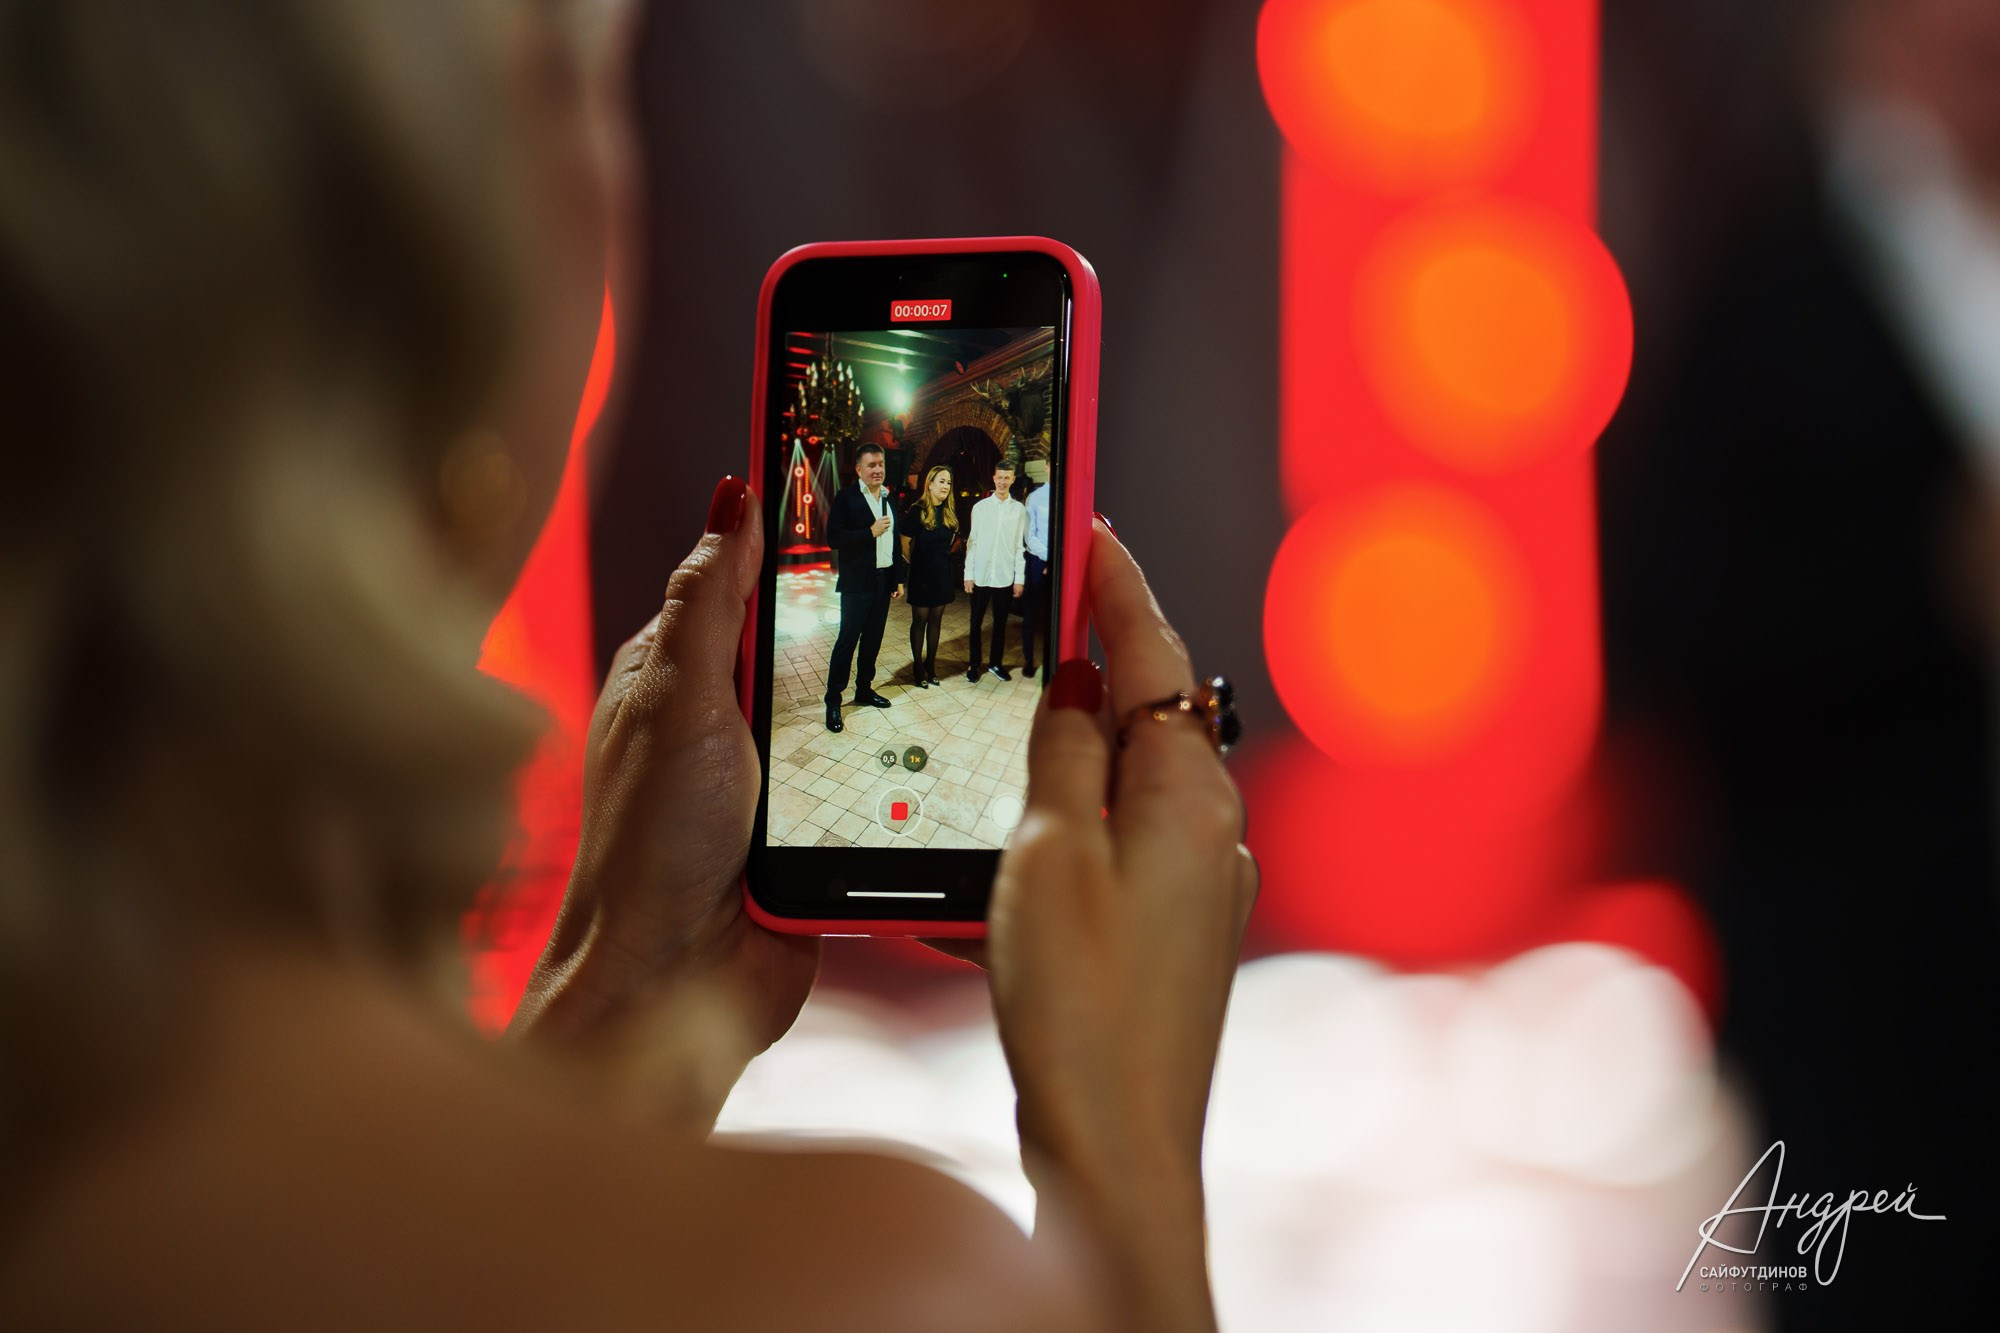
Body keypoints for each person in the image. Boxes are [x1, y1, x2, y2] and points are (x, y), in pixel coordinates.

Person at [0, 3, 1256, 1330]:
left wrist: (624, 986)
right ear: (453, 247)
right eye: (574, 85)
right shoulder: (886, 1285)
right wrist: (1123, 1175)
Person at [821, 442, 905, 732]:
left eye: (880, 464)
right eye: (872, 465)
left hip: (883, 581)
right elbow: (833, 538)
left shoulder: (888, 498)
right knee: (847, 641)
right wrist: (868, 532)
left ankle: (864, 689)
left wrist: (897, 578)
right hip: (857, 584)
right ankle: (833, 701)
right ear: (859, 469)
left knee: (873, 640)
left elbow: (893, 541)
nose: (878, 469)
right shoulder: (846, 498)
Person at [963, 459, 1028, 682]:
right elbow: (972, 542)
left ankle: (995, 664)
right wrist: (968, 574)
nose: (1002, 481)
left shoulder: (1019, 510)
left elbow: (1020, 546)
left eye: (1006, 477)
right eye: (999, 477)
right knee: (975, 623)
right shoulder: (980, 508)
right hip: (980, 574)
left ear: (1012, 479)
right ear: (994, 478)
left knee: (1000, 624)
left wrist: (1019, 579)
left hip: (1004, 576)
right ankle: (973, 664)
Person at [899, 464, 959, 688]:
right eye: (942, 481)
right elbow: (904, 543)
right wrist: (915, 562)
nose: (946, 486)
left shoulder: (949, 512)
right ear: (930, 484)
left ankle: (930, 666)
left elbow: (951, 542)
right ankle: (917, 667)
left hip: (942, 575)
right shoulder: (918, 511)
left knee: (936, 621)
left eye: (949, 482)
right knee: (920, 621)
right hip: (921, 575)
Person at [1021, 467, 1052, 678]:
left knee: (1055, 615)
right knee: (1031, 614)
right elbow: (1029, 536)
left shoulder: (1071, 496)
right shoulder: (1035, 497)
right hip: (1038, 562)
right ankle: (1029, 660)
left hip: (1063, 564)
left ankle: (1054, 660)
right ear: (1047, 467)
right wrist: (1051, 558)